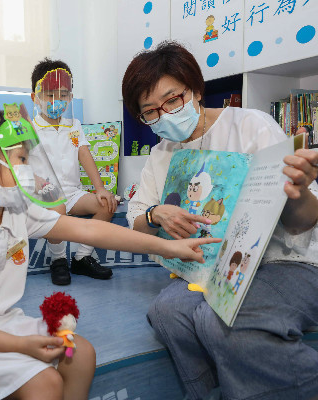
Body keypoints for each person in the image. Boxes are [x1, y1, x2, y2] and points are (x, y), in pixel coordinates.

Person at [0, 109, 219, 400]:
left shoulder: (16, 211)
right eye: (21, 159)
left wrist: (168, 246)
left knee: (81, 354)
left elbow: (89, 230)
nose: (28, 169)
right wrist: (21, 345)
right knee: (45, 384)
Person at [123, 41, 318, 399]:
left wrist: (299, 193)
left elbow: (302, 222)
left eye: (172, 100)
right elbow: (136, 217)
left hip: (283, 260)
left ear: (196, 90)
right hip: (210, 266)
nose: (164, 115)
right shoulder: (161, 153)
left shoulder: (250, 126)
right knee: (167, 312)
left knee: (218, 322)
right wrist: (155, 214)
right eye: (150, 111)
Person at [30, 58, 118, 286]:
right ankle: (58, 260)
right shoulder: (29, 128)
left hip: (72, 193)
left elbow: (84, 154)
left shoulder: (74, 125)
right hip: (44, 196)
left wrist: (100, 189)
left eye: (63, 94)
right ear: (35, 97)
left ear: (70, 96)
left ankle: (82, 257)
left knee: (107, 204)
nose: (56, 101)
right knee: (57, 207)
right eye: (49, 95)